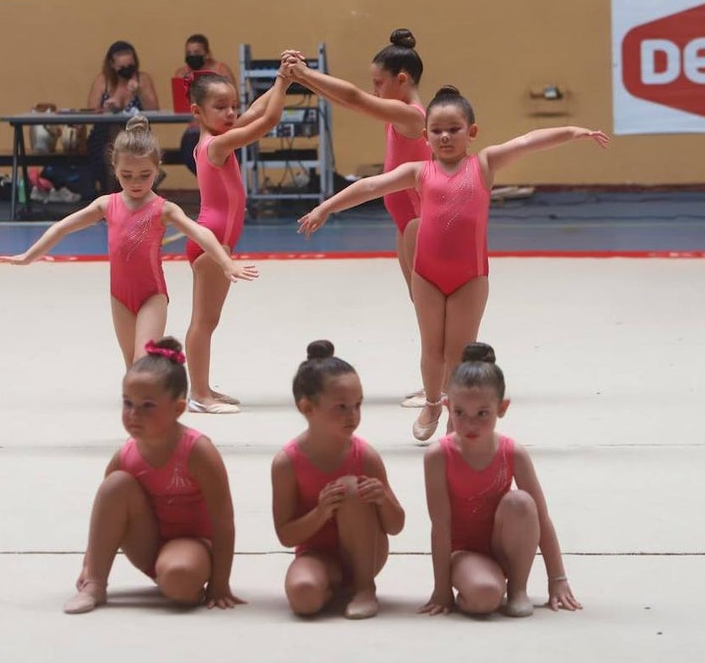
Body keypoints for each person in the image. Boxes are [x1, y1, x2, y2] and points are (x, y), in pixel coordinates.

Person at [298, 85, 609, 441]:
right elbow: (371, 186)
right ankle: (432, 402)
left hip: (470, 277)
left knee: (458, 352)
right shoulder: (418, 171)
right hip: (427, 274)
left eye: (454, 129)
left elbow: (528, 140)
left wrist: (573, 132)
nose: (445, 137)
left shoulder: (485, 164)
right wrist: (325, 208)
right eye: (437, 131)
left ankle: (453, 411)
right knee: (432, 349)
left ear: (471, 132)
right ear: (426, 134)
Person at [0, 116, 259, 368]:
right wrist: (30, 256)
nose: (136, 182)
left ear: (157, 169)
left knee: (142, 361)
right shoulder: (106, 204)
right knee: (132, 369)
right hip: (119, 297)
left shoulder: (163, 209)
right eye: (127, 175)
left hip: (152, 297)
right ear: (114, 168)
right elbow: (62, 227)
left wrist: (226, 262)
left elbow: (200, 232)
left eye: (145, 175)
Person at [282, 29, 430, 408]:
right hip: (406, 222)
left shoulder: (411, 116)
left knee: (430, 308)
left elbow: (352, 98)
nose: (375, 90)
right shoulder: (397, 114)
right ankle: (437, 379)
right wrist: (302, 78)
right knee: (422, 305)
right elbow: (346, 100)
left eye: (379, 83)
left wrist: (309, 73)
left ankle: (440, 384)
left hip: (418, 220)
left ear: (402, 80)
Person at [62, 337, 244, 614]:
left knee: (179, 579)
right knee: (115, 485)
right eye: (127, 403)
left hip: (192, 547)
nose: (134, 414)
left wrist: (220, 583)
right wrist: (89, 566)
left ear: (178, 408)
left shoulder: (198, 452)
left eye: (147, 406)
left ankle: (184, 579)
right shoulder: (125, 456)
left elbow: (223, 520)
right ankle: (95, 586)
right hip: (148, 545)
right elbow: (104, 520)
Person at [418, 342, 581, 618]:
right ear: (448, 407)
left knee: (521, 501)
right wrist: (441, 589)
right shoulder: (438, 456)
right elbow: (441, 525)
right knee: (484, 597)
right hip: (465, 553)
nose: (470, 424)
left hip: (506, 546)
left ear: (501, 408)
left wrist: (558, 579)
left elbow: (540, 518)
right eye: (460, 413)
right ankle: (483, 582)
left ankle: (518, 588)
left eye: (482, 414)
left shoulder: (512, 453)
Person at [183, 67, 293, 414]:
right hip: (211, 242)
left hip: (217, 241)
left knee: (207, 321)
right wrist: (287, 85)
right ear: (198, 112)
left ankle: (203, 388)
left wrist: (279, 81)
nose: (231, 113)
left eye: (233, 105)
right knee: (203, 322)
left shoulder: (221, 136)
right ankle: (199, 395)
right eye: (221, 107)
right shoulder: (215, 144)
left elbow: (256, 110)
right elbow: (267, 120)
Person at [270, 340, 406, 619]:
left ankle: (365, 587)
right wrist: (321, 512)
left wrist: (383, 498)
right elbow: (286, 535)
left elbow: (396, 525)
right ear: (307, 408)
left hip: (367, 555)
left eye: (358, 405)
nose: (353, 416)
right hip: (317, 555)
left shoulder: (365, 456)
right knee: (303, 597)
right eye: (341, 407)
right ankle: (336, 587)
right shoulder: (287, 464)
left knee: (349, 488)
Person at [83, 41, 161, 199]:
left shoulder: (142, 78)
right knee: (110, 144)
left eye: (130, 66)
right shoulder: (103, 80)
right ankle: (113, 196)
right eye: (122, 67)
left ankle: (141, 196)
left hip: (138, 134)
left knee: (125, 139)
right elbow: (91, 110)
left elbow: (154, 109)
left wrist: (140, 92)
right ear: (112, 65)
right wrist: (109, 107)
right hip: (104, 135)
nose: (127, 70)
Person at [173, 35, 237, 175]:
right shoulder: (182, 73)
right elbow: (180, 105)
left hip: (223, 128)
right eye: (188, 53)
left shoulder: (221, 70)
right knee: (190, 149)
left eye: (196, 53)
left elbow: (233, 99)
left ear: (207, 53)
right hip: (195, 128)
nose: (192, 56)